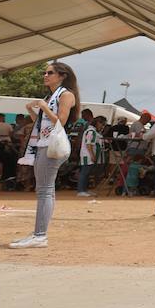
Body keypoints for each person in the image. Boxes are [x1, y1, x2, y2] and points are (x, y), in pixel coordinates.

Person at [10, 61, 80, 248]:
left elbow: (60, 122)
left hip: (51, 146)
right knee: (46, 190)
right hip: (45, 144)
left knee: (44, 191)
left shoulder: (66, 95)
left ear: (62, 76)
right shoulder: (52, 96)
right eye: (45, 72)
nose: (45, 76)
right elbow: (41, 124)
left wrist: (44, 106)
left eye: (50, 73)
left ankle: (40, 235)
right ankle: (39, 233)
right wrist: (32, 110)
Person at [77, 115, 107, 197]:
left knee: (87, 173)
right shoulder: (91, 131)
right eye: (102, 124)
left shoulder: (94, 132)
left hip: (90, 154)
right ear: (98, 123)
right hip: (87, 155)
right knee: (84, 172)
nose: (102, 127)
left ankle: (84, 189)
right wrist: (92, 155)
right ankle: (81, 190)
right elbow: (89, 144)